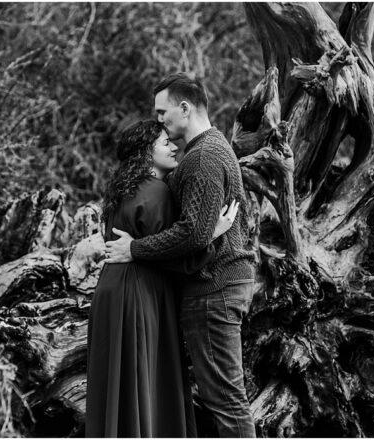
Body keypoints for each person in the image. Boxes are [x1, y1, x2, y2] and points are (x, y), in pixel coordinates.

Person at [104, 74, 258, 437]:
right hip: (216, 287)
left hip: (214, 290)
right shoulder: (207, 150)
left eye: (163, 112)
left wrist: (135, 248)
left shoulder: (204, 157)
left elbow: (192, 233)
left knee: (225, 398)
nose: (158, 120)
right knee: (221, 396)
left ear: (185, 108)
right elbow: (197, 229)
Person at [86, 120, 238, 437]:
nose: (173, 147)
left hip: (110, 290)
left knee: (118, 380)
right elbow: (180, 254)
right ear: (145, 152)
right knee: (146, 379)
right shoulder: (158, 192)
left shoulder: (121, 190)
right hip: (141, 293)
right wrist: (214, 232)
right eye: (164, 142)